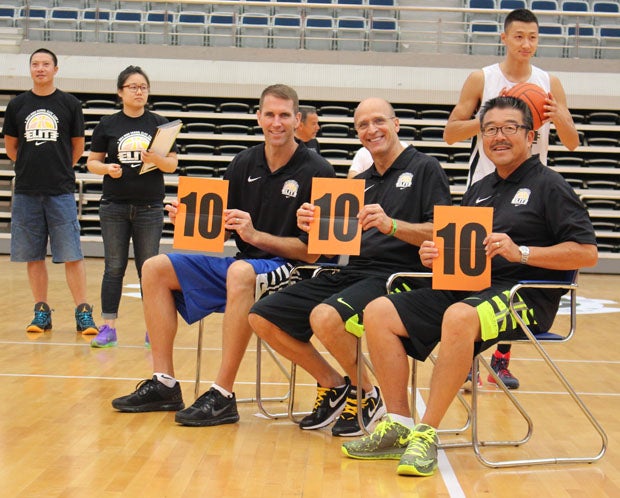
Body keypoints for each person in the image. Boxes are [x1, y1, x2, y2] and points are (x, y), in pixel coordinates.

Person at [342, 96, 597, 476]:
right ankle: (398, 424)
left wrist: (522, 252)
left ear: (530, 135)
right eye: (490, 129)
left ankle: (426, 434)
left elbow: (586, 253)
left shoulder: (550, 185)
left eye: (509, 127)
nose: (499, 136)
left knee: (460, 317)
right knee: (379, 310)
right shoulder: (479, 189)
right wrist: (436, 255)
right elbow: (462, 252)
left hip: (525, 296)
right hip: (471, 287)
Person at [111, 84, 335, 424]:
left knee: (240, 272)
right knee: (155, 267)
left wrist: (256, 234)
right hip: (245, 264)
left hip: (292, 269)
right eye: (270, 114)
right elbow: (219, 226)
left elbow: (315, 254)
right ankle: (165, 382)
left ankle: (223, 393)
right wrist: (186, 217)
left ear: (296, 120)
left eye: (285, 115)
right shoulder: (243, 162)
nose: (277, 122)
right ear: (258, 117)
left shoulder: (319, 170)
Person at [248, 98, 452, 437]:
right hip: (350, 271)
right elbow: (334, 245)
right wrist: (313, 226)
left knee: (325, 317)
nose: (371, 130)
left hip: (400, 276)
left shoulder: (426, 168)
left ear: (396, 124)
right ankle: (335, 384)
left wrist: (393, 226)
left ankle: (368, 394)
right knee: (262, 316)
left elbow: (442, 233)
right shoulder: (360, 181)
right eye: (362, 125)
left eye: (378, 121)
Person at [443, 8, 579, 389]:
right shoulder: (481, 78)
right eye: (519, 36)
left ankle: (501, 358)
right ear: (504, 38)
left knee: (518, 272)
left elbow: (571, 142)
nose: (526, 44)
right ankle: (468, 353)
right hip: (484, 186)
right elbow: (450, 133)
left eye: (533, 37)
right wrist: (494, 116)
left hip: (529, 190)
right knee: (475, 271)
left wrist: (557, 115)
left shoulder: (548, 82)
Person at [2, 48, 98, 335]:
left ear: (56, 69)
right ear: (30, 69)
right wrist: (33, 167)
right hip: (27, 191)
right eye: (35, 64)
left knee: (72, 254)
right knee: (33, 255)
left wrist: (57, 168)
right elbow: (11, 147)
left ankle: (83, 312)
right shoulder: (17, 105)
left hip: (60, 190)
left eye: (45, 64)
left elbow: (78, 146)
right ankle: (41, 311)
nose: (40, 68)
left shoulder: (69, 104)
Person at [86, 66, 179, 348]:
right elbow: (91, 162)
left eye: (143, 87)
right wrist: (107, 169)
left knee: (148, 269)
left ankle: (154, 327)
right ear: (120, 92)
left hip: (150, 207)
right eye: (133, 87)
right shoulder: (108, 124)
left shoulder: (161, 124)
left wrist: (156, 159)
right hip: (113, 205)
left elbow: (172, 164)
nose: (139, 91)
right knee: (113, 267)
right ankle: (108, 327)